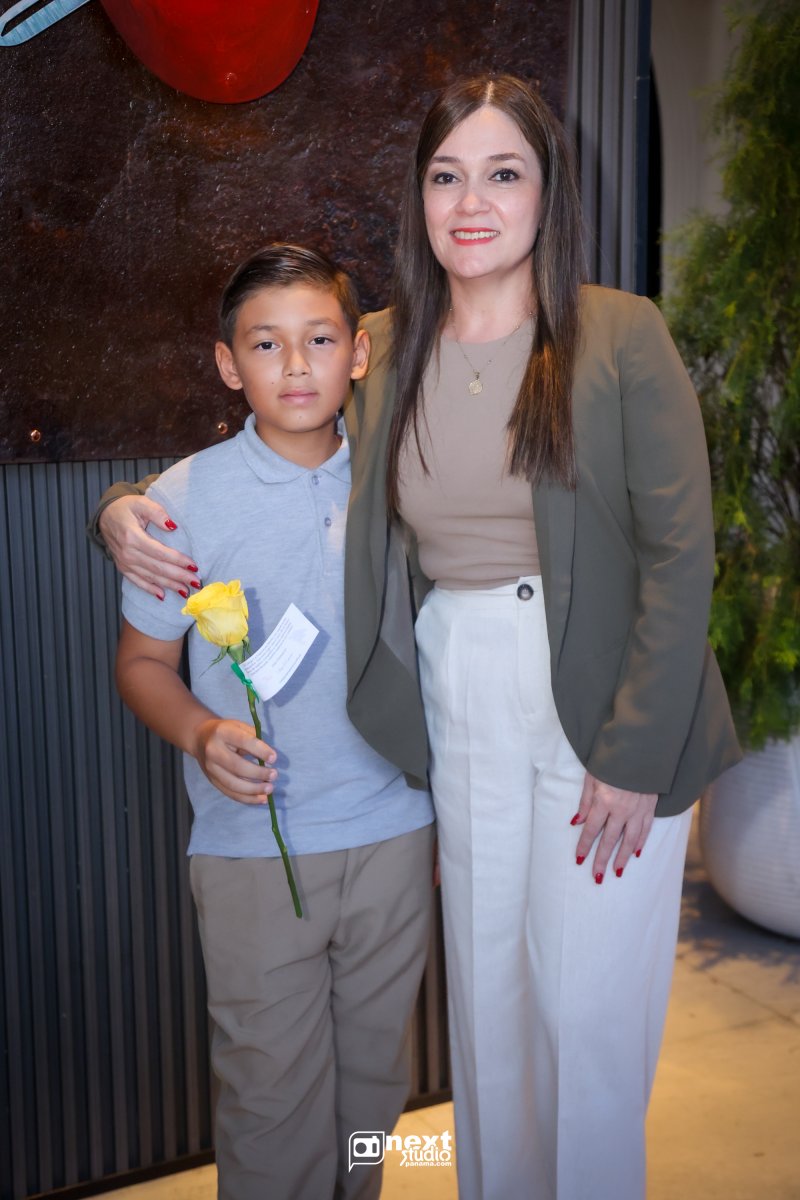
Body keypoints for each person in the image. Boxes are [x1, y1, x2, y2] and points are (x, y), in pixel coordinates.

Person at [91, 77, 741, 1200]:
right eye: (447, 176)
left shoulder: (619, 332)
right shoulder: (381, 346)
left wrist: (636, 755)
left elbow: (683, 556)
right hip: (456, 692)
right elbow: (267, 432)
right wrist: (119, 509)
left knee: (585, 1017)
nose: (471, 202)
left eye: (502, 173)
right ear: (419, 196)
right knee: (487, 1011)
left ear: (547, 190)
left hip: (608, 701)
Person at [111, 243, 435, 1200]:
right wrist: (201, 733)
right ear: (228, 364)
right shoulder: (181, 501)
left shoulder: (402, 476)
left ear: (359, 354)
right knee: (269, 1103)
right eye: (266, 344)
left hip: (394, 833)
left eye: (320, 340)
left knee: (374, 1099)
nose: (296, 366)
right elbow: (142, 664)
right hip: (255, 850)